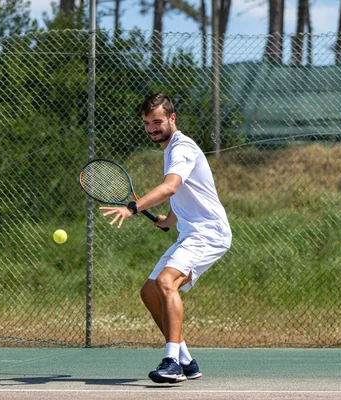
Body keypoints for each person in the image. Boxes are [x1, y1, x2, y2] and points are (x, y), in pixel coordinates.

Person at [99, 93, 232, 384]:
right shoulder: (170, 149)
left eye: (157, 121)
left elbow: (170, 187)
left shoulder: (180, 147)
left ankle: (170, 361)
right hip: (191, 231)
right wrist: (168, 221)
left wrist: (134, 207)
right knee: (149, 291)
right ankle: (185, 360)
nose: (151, 128)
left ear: (172, 119)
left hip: (208, 232)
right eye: (147, 123)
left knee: (166, 282)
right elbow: (184, 193)